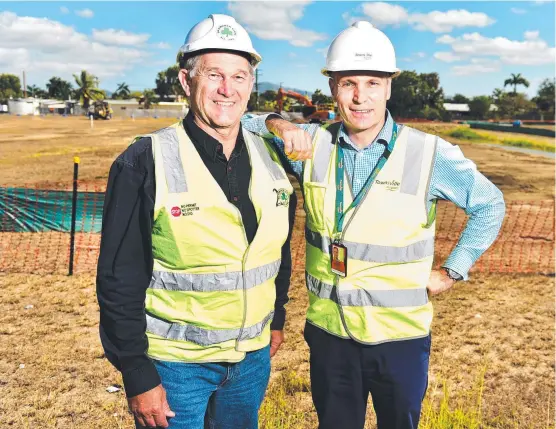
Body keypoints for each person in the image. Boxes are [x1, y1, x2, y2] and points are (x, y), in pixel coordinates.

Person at [242, 20, 505, 429]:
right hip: (330, 334)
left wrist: (453, 269)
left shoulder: (428, 152)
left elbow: (490, 203)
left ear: (389, 86)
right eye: (348, 83)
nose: (360, 96)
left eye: (372, 82)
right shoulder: (309, 143)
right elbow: (237, 121)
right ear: (332, 88)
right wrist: (280, 122)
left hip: (399, 338)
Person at [96, 14, 296, 429]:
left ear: (251, 85)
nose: (228, 89)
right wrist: (136, 372)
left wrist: (277, 318)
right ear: (187, 82)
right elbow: (119, 277)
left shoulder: (273, 156)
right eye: (214, 75)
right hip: (175, 366)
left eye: (240, 77)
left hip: (251, 360)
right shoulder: (144, 161)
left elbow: (277, 252)